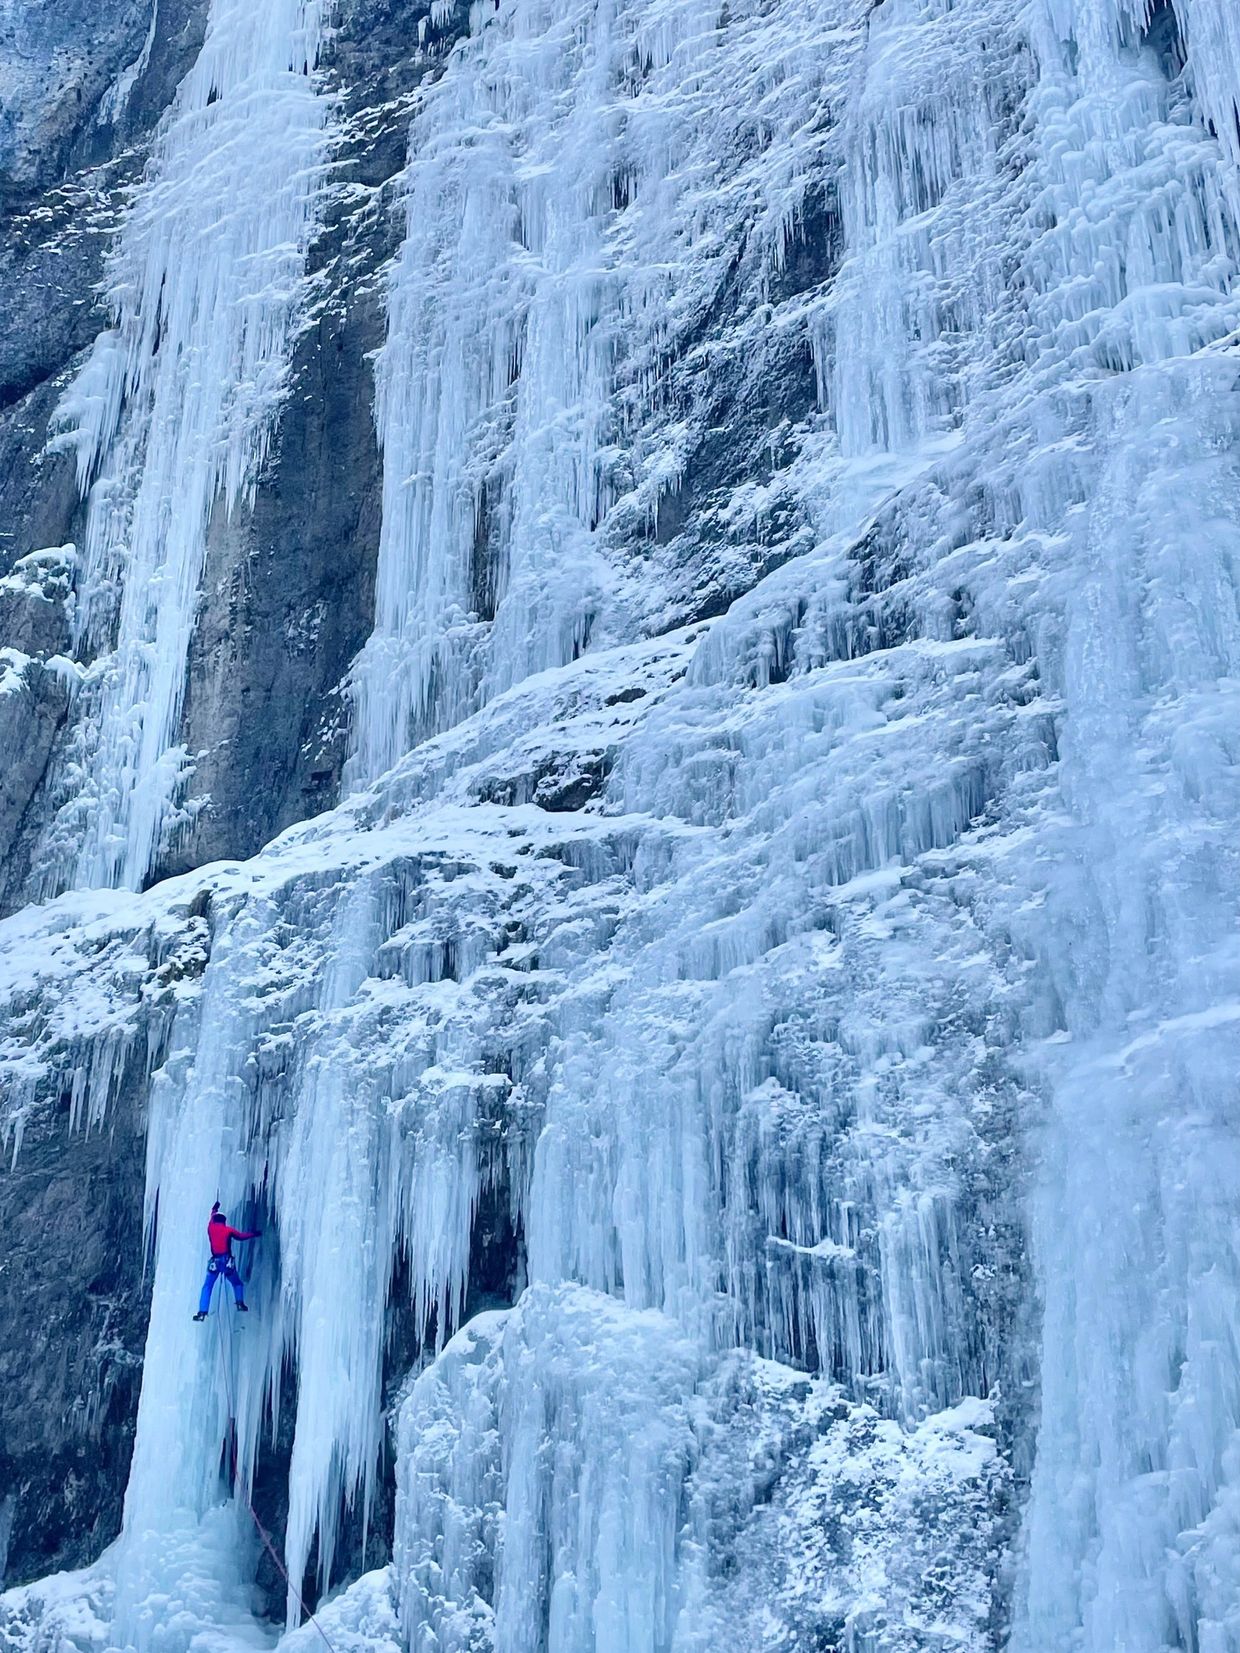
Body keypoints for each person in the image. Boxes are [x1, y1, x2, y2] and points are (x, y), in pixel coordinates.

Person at [192, 1201, 261, 1321]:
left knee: (207, 1286)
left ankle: (202, 1312)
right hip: (227, 1262)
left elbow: (212, 1217)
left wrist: (214, 1208)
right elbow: (241, 1236)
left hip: (214, 1264)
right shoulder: (228, 1230)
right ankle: (240, 1303)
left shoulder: (210, 1228)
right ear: (224, 1221)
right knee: (237, 1283)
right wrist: (254, 1234)